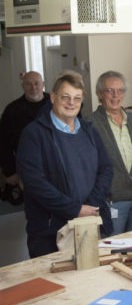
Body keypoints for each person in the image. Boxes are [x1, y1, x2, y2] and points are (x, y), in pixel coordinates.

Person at [16, 73, 113, 257]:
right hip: (50, 233)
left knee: (92, 282)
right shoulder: (34, 134)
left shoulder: (89, 130)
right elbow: (35, 183)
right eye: (65, 97)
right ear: (53, 97)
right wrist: (75, 209)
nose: (71, 103)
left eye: (77, 98)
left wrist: (90, 205)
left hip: (90, 223)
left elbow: (106, 169)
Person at [88, 71, 132, 234]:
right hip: (111, 201)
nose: (115, 95)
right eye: (109, 90)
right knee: (113, 249)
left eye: (120, 90)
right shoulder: (90, 123)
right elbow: (89, 167)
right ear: (99, 94)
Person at [0, 71, 50, 204]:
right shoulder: (12, 110)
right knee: (34, 208)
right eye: (28, 84)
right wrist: (10, 171)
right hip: (27, 168)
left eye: (36, 83)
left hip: (55, 165)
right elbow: (3, 144)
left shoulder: (56, 104)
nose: (33, 88)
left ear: (43, 84)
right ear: (22, 86)